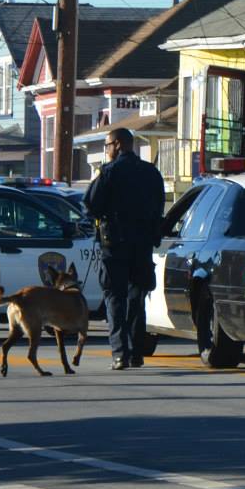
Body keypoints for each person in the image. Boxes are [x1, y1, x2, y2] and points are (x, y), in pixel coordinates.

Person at [83, 127, 164, 370]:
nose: (106, 150)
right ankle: (137, 352)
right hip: (142, 245)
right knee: (137, 298)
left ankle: (120, 353)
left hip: (114, 245)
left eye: (107, 145)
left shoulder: (109, 172)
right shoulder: (151, 172)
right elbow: (160, 208)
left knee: (114, 298)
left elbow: (91, 206)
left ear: (117, 145)